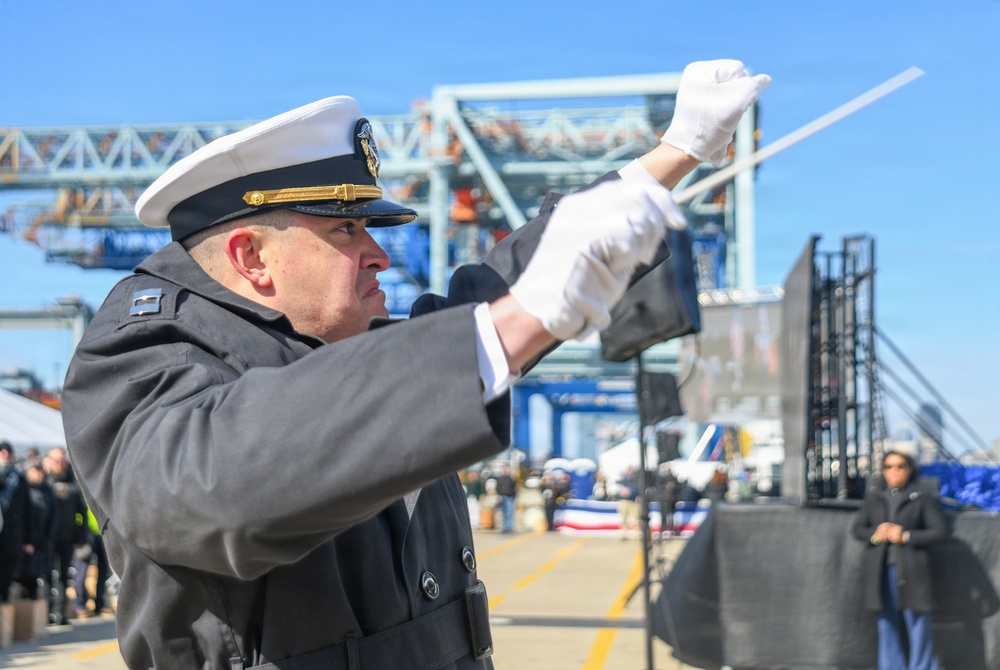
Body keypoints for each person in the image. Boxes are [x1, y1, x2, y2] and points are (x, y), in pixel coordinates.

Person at [61, 60, 769, 669]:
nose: (380, 254)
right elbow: (217, 482)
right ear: (252, 257)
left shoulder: (336, 340)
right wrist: (512, 325)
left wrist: (674, 154)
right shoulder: (140, 351)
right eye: (346, 227)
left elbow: (481, 297)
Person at [852, 449, 949, 670]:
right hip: (880, 572)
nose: (894, 471)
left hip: (912, 570)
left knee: (918, 624)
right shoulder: (874, 496)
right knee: (886, 624)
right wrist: (876, 535)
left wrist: (905, 536)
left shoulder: (921, 497)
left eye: (899, 466)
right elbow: (858, 529)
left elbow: (939, 531)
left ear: (909, 469)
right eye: (888, 466)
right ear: (883, 470)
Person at [43, 446, 89, 625]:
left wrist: (81, 536)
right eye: (56, 460)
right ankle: (46, 613)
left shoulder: (72, 482)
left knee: (63, 575)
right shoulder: (45, 481)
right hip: (47, 537)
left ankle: (60, 613)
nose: (59, 463)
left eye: (61, 459)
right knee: (46, 574)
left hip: (67, 537)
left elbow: (81, 512)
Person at [0, 442, 30, 603]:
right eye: (2, 452)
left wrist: (27, 539)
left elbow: (27, 510)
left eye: (7, 452)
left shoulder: (18, 478)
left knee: (6, 576)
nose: (5, 455)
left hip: (12, 535)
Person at [494, 466, 518, 533]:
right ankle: (504, 527)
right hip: (503, 496)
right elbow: (498, 488)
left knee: (509, 512)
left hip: (509, 497)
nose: (507, 471)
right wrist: (498, 496)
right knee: (503, 512)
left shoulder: (511, 479)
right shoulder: (500, 479)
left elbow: (514, 488)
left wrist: (514, 496)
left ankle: (509, 527)